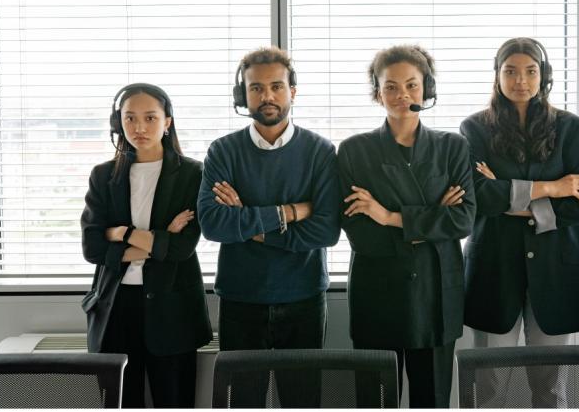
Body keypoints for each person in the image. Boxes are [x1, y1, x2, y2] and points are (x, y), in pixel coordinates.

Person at [459, 37, 579, 408]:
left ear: (544, 76)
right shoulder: (474, 128)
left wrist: (507, 195)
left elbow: (578, 207)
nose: (520, 79)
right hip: (494, 267)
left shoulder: (572, 129)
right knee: (488, 385)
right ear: (497, 76)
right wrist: (552, 187)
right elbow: (478, 198)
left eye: (530, 71)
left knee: (550, 388)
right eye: (510, 71)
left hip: (556, 267)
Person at [197, 46, 340, 407]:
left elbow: (325, 231)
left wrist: (247, 221)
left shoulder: (321, 152)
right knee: (242, 402)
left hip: (303, 296)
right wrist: (290, 212)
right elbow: (214, 223)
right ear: (242, 95)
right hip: (241, 297)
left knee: (303, 401)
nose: (267, 96)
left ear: (293, 91)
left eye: (276, 86)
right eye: (256, 88)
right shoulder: (223, 151)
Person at [337, 45, 475, 408]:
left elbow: (462, 219)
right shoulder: (354, 150)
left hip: (436, 293)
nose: (403, 96)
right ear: (377, 92)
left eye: (412, 85)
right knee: (375, 400)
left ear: (426, 88)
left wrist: (388, 216)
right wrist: (430, 220)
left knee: (433, 401)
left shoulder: (453, 147)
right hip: (377, 291)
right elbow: (360, 234)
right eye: (391, 87)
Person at [80, 83, 212, 408]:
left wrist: (120, 233)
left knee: (175, 402)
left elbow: (183, 249)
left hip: (173, 312)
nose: (139, 127)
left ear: (168, 121)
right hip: (115, 309)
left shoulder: (193, 174)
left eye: (150, 118)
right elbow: (92, 248)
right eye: (130, 118)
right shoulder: (103, 175)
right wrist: (157, 237)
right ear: (118, 122)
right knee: (122, 403)